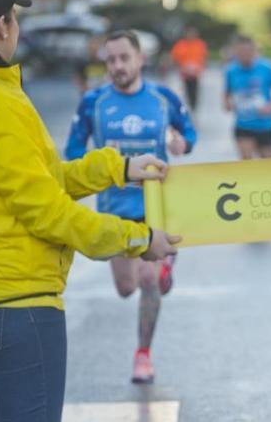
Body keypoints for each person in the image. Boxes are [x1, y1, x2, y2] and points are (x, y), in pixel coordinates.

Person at [0, 0, 180, 422]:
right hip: (19, 307)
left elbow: (32, 183)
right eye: (14, 17)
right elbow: (48, 212)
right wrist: (140, 240)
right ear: (2, 27)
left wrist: (118, 167)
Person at [65, 29, 197, 384]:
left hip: (155, 205)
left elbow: (188, 133)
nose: (118, 66)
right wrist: (110, 166)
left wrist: (181, 142)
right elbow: (72, 154)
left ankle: (143, 355)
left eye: (124, 58)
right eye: (110, 60)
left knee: (148, 279)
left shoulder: (163, 98)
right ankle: (163, 267)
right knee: (126, 287)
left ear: (140, 59)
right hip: (114, 208)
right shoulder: (93, 102)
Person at [224, 35, 271, 159]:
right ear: (236, 52)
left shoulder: (267, 68)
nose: (245, 55)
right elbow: (227, 92)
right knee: (247, 163)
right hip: (243, 124)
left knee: (269, 164)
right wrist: (227, 103)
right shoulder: (230, 70)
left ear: (254, 50)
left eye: (248, 51)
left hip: (265, 124)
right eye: (241, 52)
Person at [170, 26, 208, 111]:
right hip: (185, 74)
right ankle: (187, 107)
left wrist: (199, 68)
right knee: (186, 91)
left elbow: (203, 58)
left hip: (196, 73)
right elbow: (175, 57)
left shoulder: (200, 44)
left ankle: (193, 107)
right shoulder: (180, 44)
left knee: (194, 91)